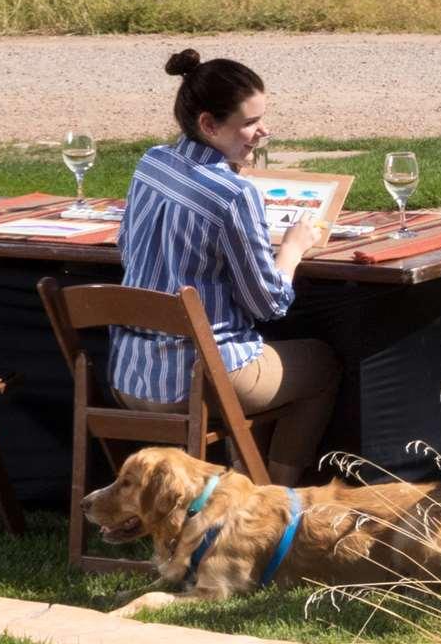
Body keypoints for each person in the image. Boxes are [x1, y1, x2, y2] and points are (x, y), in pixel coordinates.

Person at [114, 50, 339, 480]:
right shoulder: (233, 196)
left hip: (129, 378)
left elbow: (127, 249)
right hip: (195, 382)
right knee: (322, 364)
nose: (263, 131)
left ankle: (248, 484)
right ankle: (273, 504)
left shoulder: (151, 163)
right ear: (209, 125)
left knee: (254, 357)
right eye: (250, 124)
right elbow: (268, 304)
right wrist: (291, 248)